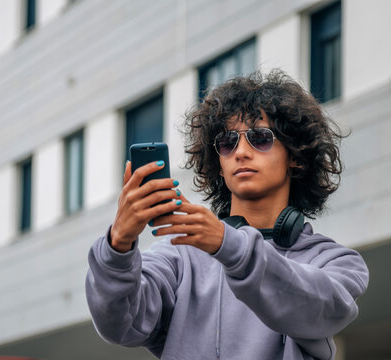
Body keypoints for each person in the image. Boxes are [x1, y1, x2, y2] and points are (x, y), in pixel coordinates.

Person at [85, 70, 369, 359]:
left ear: (295, 156)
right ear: (219, 164)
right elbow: (119, 326)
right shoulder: (179, 257)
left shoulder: (336, 262)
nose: (241, 152)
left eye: (260, 138)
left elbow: (320, 310)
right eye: (227, 142)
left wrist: (228, 245)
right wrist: (117, 245)